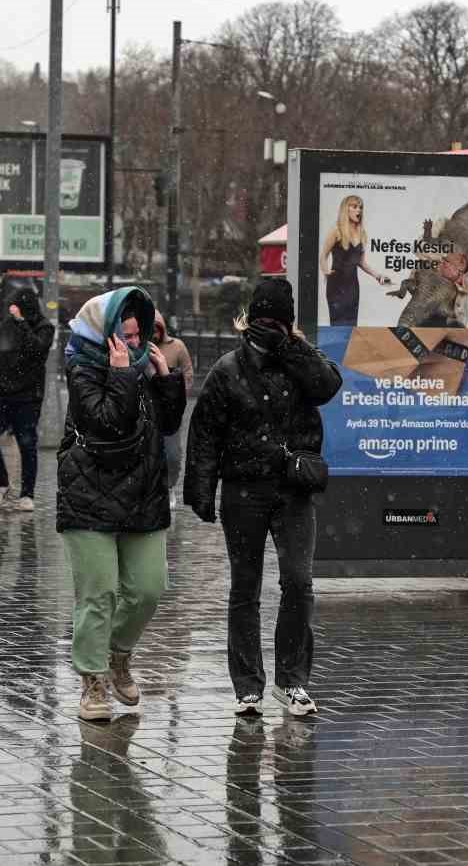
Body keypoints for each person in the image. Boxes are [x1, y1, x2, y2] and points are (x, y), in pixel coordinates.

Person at [184, 277, 342, 718]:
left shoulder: (301, 360)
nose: (270, 327)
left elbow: (329, 385)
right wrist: (201, 490)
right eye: (264, 319)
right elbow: (206, 432)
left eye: (279, 320)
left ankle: (292, 681)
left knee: (298, 582)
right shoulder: (228, 368)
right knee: (245, 587)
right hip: (244, 491)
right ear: (249, 320)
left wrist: (291, 347)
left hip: (293, 491)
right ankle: (248, 686)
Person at [58, 286, 186, 722]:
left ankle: (118, 655)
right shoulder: (83, 369)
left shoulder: (139, 368)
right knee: (100, 592)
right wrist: (123, 375)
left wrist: (164, 376)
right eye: (126, 336)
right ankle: (92, 680)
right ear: (104, 334)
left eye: (138, 335)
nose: (134, 345)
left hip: (142, 493)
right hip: (89, 494)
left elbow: (169, 424)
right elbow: (108, 424)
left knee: (149, 587)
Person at [0, 287, 55, 511]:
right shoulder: (6, 325)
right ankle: (2, 484)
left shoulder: (44, 327)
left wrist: (22, 323)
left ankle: (27, 494)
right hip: (2, 392)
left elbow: (38, 350)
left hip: (28, 395)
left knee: (27, 442)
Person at [319, 194, 391, 326]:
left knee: (351, 327)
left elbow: (361, 262)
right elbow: (323, 256)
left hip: (353, 286)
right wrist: (326, 271)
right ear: (346, 209)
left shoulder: (362, 233)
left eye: (361, 207)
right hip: (336, 286)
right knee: (338, 327)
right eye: (355, 206)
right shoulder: (336, 231)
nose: (359, 210)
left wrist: (378, 276)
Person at [152, 311, 194, 502]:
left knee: (172, 454)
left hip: (170, 407)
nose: (154, 333)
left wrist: (179, 396)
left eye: (157, 328)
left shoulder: (177, 347)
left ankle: (169, 486)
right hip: (149, 409)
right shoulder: (140, 346)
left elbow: (187, 373)